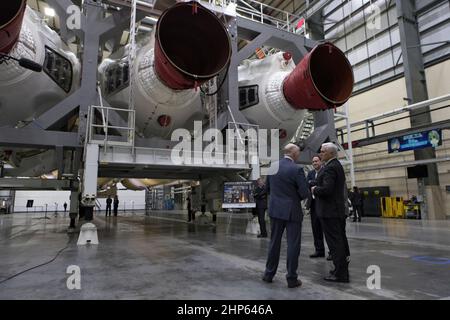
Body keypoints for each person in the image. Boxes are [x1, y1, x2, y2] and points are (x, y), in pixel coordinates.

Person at [262, 144, 309, 288]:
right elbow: (304, 193)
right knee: (293, 244)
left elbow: (267, 189)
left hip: (275, 210)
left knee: (274, 242)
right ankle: (291, 278)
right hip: (292, 211)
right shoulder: (297, 169)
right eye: (298, 153)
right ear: (294, 154)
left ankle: (268, 274)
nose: (298, 155)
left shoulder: (272, 167)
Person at [311, 142, 350, 283]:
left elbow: (327, 190)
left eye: (323, 152)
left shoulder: (330, 168)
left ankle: (340, 274)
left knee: (335, 244)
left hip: (330, 212)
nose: (321, 154)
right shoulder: (336, 166)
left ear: (331, 153)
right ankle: (339, 270)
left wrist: (315, 189)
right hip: (335, 211)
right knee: (337, 242)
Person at [306, 156, 326, 258]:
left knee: (327, 229)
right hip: (313, 204)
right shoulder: (310, 173)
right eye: (313, 161)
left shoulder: (325, 171)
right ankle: (319, 250)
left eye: (316, 161)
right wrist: (313, 182)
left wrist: (313, 182)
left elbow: (319, 183)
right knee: (316, 228)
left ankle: (332, 252)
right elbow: (307, 184)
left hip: (324, 204)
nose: (314, 163)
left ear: (321, 161)